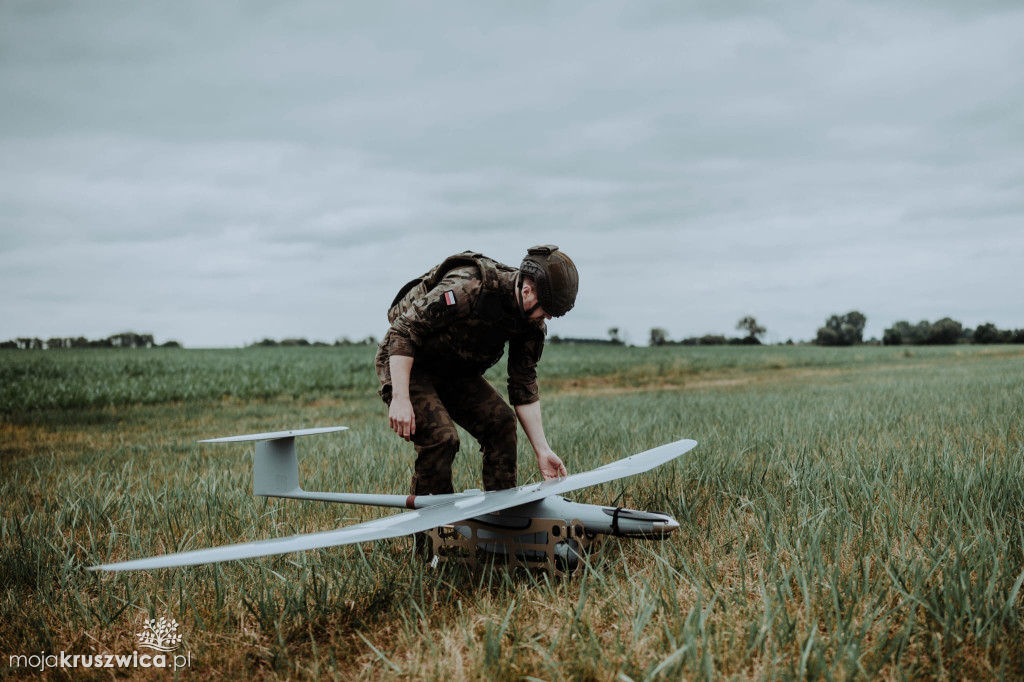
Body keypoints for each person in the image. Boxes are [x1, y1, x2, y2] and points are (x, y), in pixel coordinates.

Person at [375, 245, 578, 496]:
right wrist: (401, 398)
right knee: (442, 438)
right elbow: (403, 332)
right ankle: (432, 531)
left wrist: (542, 450)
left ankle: (504, 521)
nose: (545, 318)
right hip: (407, 361)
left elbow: (523, 384)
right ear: (527, 290)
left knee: (501, 423)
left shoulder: (530, 323)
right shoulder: (468, 287)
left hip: (453, 369)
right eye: (545, 311)